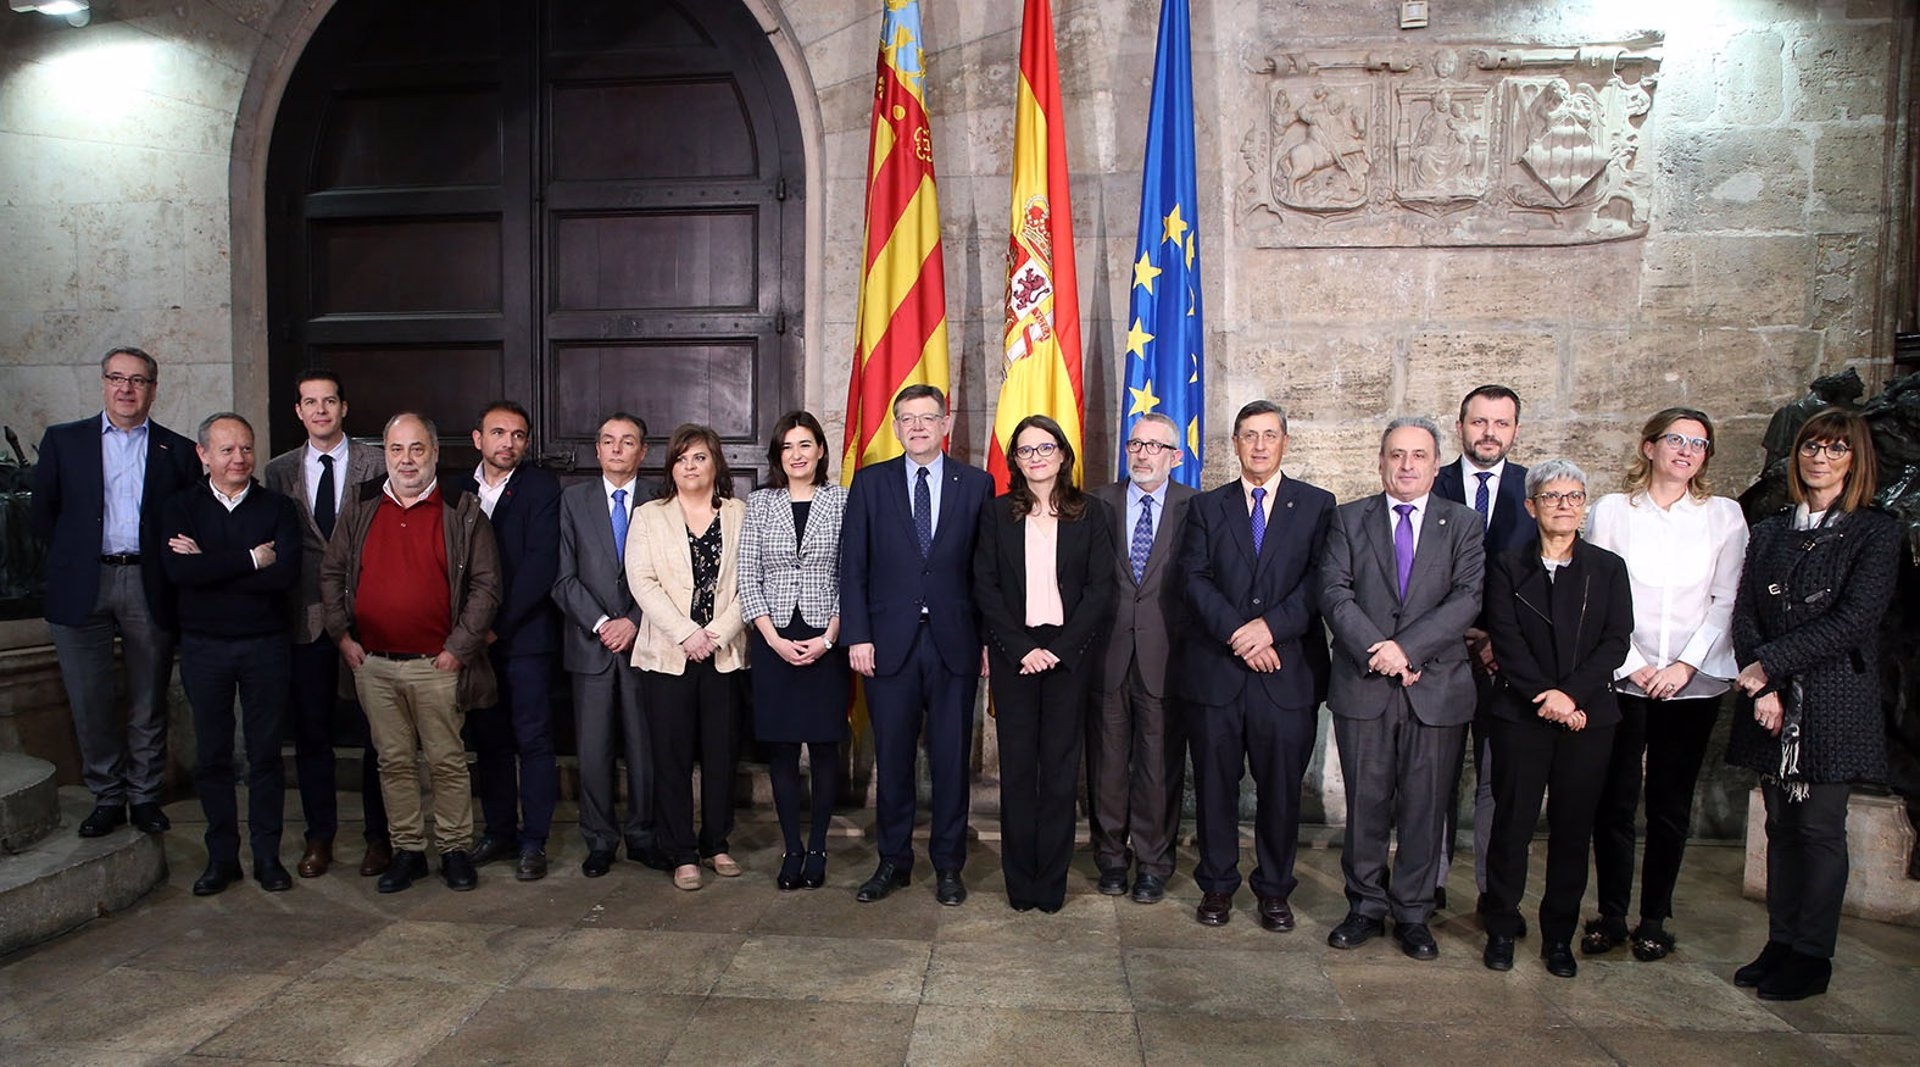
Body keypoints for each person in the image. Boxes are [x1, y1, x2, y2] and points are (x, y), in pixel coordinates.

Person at [1727, 409, 1900, 1001]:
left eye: (1834, 449)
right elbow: (1746, 611)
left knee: (1819, 829)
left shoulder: (1878, 532)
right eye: (1810, 448)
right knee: (1779, 826)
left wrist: (1770, 665)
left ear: (1854, 460)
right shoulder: (1772, 530)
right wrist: (1765, 685)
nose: (1819, 459)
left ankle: (1812, 955)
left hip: (1832, 702)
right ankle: (1780, 941)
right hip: (1769, 701)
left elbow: (1854, 620)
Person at [1582, 407, 1748, 961]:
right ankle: (1609, 913)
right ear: (1649, 446)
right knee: (1614, 801)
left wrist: (1684, 666)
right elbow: (1598, 592)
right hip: (1623, 676)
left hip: (1690, 683)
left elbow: (1727, 600)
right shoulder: (1612, 511)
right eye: (1675, 439)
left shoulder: (1723, 516)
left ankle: (1654, 917)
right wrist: (1632, 663)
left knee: (1670, 804)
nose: (1685, 450)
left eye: (1698, 444)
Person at [1320, 415, 1484, 961]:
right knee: (1366, 804)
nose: (1407, 465)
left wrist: (1407, 650)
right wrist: (1381, 651)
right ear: (1382, 461)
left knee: (1426, 804)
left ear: (1437, 465)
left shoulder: (1462, 524)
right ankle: (1365, 905)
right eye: (1396, 454)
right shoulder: (1348, 519)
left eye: (1418, 455)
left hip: (1435, 688)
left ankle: (1413, 911)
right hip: (1364, 684)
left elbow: (1466, 599)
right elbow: (1335, 594)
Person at [320, 412, 501, 893]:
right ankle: (408, 851)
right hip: (374, 664)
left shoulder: (462, 510)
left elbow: (486, 587)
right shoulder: (360, 508)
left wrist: (458, 651)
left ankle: (455, 849)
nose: (406, 460)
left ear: (435, 453)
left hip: (437, 666)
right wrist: (342, 636)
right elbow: (332, 573)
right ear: (386, 454)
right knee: (393, 762)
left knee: (446, 761)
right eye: (397, 450)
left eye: (417, 449)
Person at [1177, 400, 1335, 931]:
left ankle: (1274, 890)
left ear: (1285, 442)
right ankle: (1217, 886)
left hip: (1286, 674)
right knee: (1216, 787)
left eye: (1270, 435)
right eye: (1249, 435)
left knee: (1281, 790)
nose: (1260, 445)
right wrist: (1240, 635)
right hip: (1218, 673)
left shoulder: (1317, 505)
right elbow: (1194, 579)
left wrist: (1269, 629)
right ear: (1236, 444)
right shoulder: (1207, 507)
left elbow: (1320, 581)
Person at [31, 346, 201, 838]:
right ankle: (107, 796)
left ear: (153, 388)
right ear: (103, 383)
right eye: (117, 378)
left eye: (138, 380)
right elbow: (43, 515)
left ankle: (145, 797)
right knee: (90, 699)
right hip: (83, 582)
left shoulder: (178, 449)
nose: (126, 389)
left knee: (148, 697)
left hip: (147, 582)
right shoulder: (64, 441)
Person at [839, 384, 994, 907]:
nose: (918, 427)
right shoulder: (870, 484)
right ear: (896, 427)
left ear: (946, 424)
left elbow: (986, 573)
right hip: (887, 645)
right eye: (907, 419)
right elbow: (852, 567)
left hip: (955, 644)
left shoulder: (977, 484)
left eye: (928, 418)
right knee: (894, 756)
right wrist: (857, 635)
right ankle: (893, 861)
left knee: (951, 761)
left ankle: (949, 866)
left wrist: (988, 641)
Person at [1478, 459, 1632, 978]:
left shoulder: (1608, 568)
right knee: (1512, 825)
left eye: (1574, 496)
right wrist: (1545, 695)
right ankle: (1500, 928)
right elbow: (1506, 637)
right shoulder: (1506, 565)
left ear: (1584, 506)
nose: (1564, 505)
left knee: (1572, 830)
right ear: (1531, 506)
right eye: (1552, 496)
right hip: (1521, 714)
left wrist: (1571, 696)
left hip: (1588, 717)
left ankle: (1558, 938)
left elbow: (1615, 641)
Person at [974, 415, 1116, 912]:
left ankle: (1050, 884)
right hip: (1017, 653)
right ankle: (1020, 884)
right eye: (1026, 450)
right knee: (1017, 772)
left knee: (1059, 774)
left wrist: (1059, 649)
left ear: (1062, 456)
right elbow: (985, 587)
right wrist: (1019, 648)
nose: (1036, 458)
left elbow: (1101, 589)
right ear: (1015, 460)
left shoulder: (1091, 514)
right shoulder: (996, 515)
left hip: (1067, 654)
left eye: (1045, 448)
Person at [160, 413, 303, 895]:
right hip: (204, 648)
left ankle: (267, 857)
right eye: (226, 450)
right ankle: (222, 859)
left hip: (264, 645)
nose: (239, 458)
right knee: (213, 757)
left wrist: (210, 563)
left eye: (245, 448)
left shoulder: (279, 508)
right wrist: (248, 560)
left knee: (264, 755)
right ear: (203, 455)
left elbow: (282, 578)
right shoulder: (180, 506)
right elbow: (181, 577)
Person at [264, 369, 391, 878]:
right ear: (298, 411)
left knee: (377, 734)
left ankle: (379, 838)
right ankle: (319, 836)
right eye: (310, 402)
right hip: (306, 621)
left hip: (369, 616)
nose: (320, 410)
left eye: (329, 401)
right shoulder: (277, 472)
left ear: (344, 408)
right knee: (313, 735)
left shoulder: (378, 464)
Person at [626, 424, 748, 892]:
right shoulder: (650, 516)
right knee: (671, 757)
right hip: (669, 656)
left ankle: (716, 842)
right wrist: (687, 634)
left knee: (721, 754)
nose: (690, 466)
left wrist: (715, 634)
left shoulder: (740, 513)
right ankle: (681, 851)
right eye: (681, 458)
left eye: (699, 457)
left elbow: (748, 582)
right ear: (670, 467)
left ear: (715, 463)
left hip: (723, 653)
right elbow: (642, 582)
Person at [553, 413, 670, 877]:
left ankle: (644, 836)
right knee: (594, 748)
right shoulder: (572, 500)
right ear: (597, 450)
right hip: (591, 645)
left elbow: (672, 577)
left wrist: (636, 622)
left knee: (647, 748)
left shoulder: (661, 500)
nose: (617, 449)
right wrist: (604, 623)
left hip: (647, 643)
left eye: (628, 442)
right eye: (608, 441)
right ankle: (600, 839)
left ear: (643, 452)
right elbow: (563, 579)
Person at [738, 411, 850, 891]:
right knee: (782, 749)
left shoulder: (843, 501)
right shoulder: (760, 504)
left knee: (825, 747)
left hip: (828, 638)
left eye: (806, 445)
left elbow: (854, 573)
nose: (797, 454)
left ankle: (820, 845)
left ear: (821, 451)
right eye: (788, 447)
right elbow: (747, 576)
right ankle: (792, 847)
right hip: (774, 640)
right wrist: (773, 638)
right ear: (777, 456)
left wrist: (829, 637)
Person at [1089, 412, 1196, 904]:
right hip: (1107, 655)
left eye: (1155, 446)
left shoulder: (1196, 507)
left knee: (1158, 767)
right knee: (1107, 766)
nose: (1143, 454)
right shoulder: (1097, 504)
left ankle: (1154, 863)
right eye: (1135, 444)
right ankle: (1111, 858)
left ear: (1175, 457)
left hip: (1166, 658)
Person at [1431, 384, 1529, 916]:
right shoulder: (1433, 482)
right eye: (1479, 422)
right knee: (1437, 774)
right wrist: (1457, 630)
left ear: (1514, 430)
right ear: (1461, 426)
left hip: (1507, 662)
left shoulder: (1535, 490)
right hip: (1441, 654)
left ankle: (1495, 893)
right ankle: (1431, 878)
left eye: (1501, 423)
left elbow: (1540, 581)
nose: (1489, 432)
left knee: (1499, 780)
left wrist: (1498, 638)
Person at [456, 401, 563, 882]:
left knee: (534, 739)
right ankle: (499, 830)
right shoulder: (456, 487)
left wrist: (496, 624)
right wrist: (470, 631)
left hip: (525, 637)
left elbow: (541, 565)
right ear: (478, 438)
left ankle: (533, 840)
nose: (509, 443)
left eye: (519, 435)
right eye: (498, 433)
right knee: (488, 739)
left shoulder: (541, 486)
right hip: (472, 641)